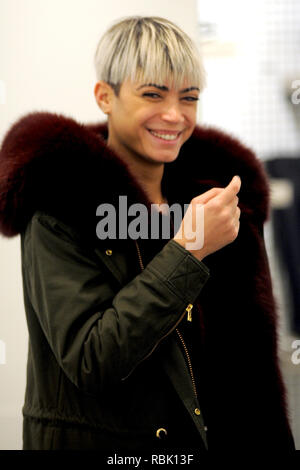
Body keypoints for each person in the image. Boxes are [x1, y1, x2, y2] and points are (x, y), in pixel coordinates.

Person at [0, 16, 295, 452]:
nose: (174, 116)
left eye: (189, 98)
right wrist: (188, 249)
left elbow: (253, 374)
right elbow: (91, 360)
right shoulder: (61, 202)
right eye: (153, 95)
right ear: (105, 96)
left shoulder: (221, 200)